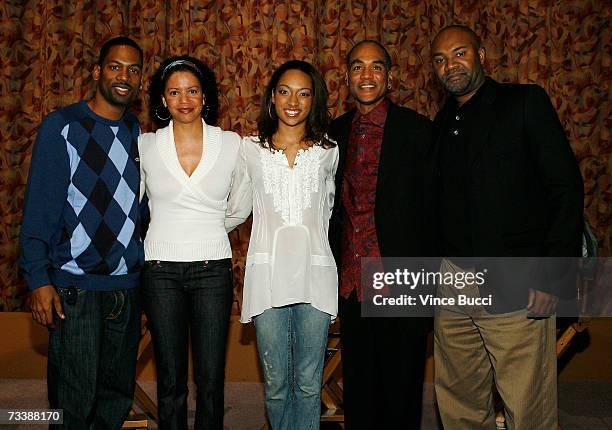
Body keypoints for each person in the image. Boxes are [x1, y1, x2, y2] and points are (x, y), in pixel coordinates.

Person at [429, 25, 584, 429]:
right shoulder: (443, 121)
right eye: (441, 59)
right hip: (453, 282)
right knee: (459, 400)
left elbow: (566, 189)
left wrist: (554, 276)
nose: (451, 65)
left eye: (460, 53)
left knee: (527, 405)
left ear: (482, 54)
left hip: (518, 282)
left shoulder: (524, 102)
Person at [19, 36, 144, 428]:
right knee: (73, 404)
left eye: (134, 70)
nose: (124, 76)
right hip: (76, 290)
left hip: (126, 288)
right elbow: (39, 208)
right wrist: (39, 279)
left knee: (114, 401)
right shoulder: (63, 126)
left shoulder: (138, 133)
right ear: (96, 72)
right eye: (115, 67)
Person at [225, 60, 338, 430]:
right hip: (267, 276)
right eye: (285, 91)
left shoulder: (329, 151)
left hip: (315, 277)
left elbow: (329, 213)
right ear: (272, 98)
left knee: (308, 385)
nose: (294, 100)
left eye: (304, 93)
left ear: (314, 100)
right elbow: (237, 209)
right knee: (275, 387)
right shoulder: (249, 149)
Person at [328, 40, 432, 429]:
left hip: (400, 277)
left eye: (376, 67)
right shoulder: (334, 132)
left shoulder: (419, 130)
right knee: (360, 388)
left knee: (402, 391)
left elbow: (431, 211)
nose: (366, 75)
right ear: (347, 77)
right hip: (353, 278)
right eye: (358, 67)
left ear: (390, 77)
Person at [139, 56, 240, 430]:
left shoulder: (230, 144)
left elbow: (241, 204)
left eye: (192, 90)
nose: (184, 99)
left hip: (213, 270)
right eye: (174, 92)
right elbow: (137, 202)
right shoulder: (145, 145)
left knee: (211, 380)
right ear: (162, 100)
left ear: (205, 96)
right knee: (170, 379)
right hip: (160, 271)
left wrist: (210, 227)